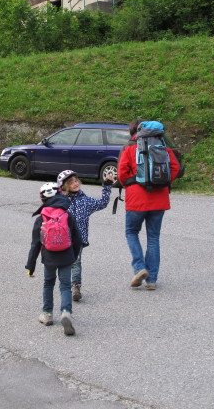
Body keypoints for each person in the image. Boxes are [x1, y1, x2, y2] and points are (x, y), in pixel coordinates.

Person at [117, 118, 181, 290]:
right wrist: (163, 183)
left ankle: (139, 268)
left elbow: (122, 173)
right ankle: (151, 279)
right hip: (159, 199)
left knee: (131, 232)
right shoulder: (163, 146)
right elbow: (175, 168)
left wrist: (130, 185)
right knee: (153, 237)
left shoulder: (129, 147)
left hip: (136, 199)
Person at [26, 182, 82, 336]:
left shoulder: (41, 218)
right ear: (59, 195)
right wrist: (73, 254)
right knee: (65, 286)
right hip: (66, 256)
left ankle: (47, 314)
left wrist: (30, 267)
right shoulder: (67, 215)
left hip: (49, 258)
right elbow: (77, 238)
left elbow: (35, 245)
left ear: (42, 200)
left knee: (48, 284)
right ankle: (65, 312)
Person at [57, 169, 113, 302]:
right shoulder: (60, 201)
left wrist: (106, 186)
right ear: (64, 186)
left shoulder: (85, 200)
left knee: (76, 262)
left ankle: (76, 286)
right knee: (64, 263)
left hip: (79, 239)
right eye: (71, 183)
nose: (75, 184)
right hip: (62, 238)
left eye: (76, 181)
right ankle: (64, 285)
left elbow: (102, 203)